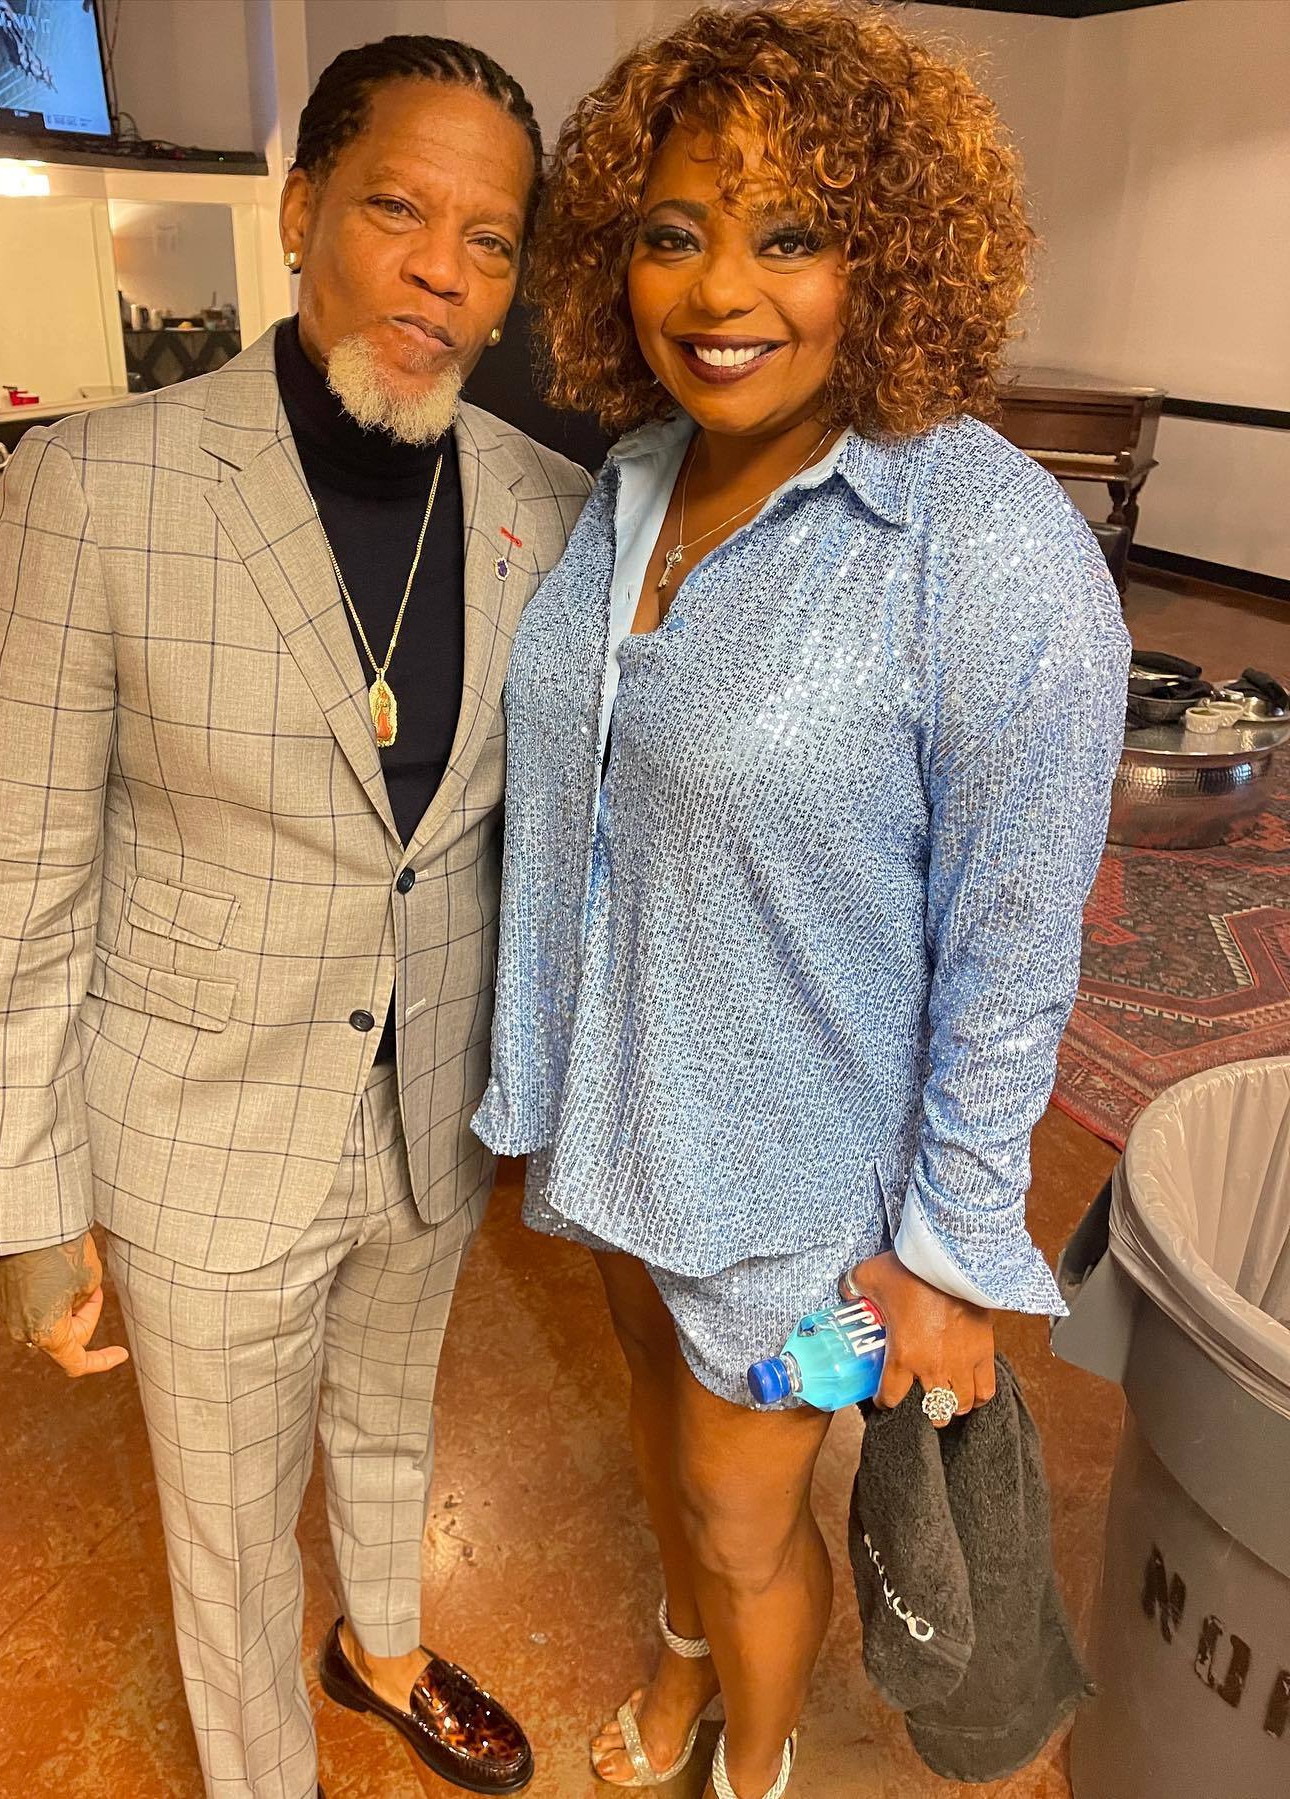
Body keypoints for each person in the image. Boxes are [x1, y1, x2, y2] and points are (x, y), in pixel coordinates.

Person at [473, 5, 1130, 1798]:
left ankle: (745, 1771)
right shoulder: (631, 484)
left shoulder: (983, 549)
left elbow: (1013, 945)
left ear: (891, 257)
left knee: (740, 1512)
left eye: (791, 235)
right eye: (672, 233)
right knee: (657, 1424)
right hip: (614, 1122)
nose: (718, 291)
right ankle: (685, 1658)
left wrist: (949, 1255)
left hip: (797, 1194)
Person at [0, 36, 591, 1799]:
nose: (442, 273)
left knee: (391, 1413)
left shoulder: (545, 506)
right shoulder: (98, 487)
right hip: (199, 1125)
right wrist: (20, 1205)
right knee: (225, 1522)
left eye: (490, 241)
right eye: (396, 211)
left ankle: (384, 1645)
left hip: (428, 1099)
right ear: (302, 216)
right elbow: (3, 875)